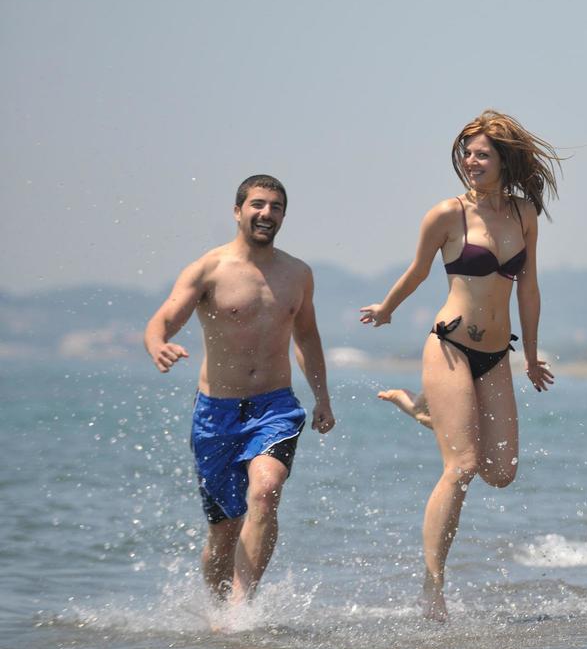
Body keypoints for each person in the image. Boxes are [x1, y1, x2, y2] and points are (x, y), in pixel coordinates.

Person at [360, 110, 560, 620]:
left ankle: (427, 413)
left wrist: (532, 356)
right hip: (449, 345)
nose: (471, 161)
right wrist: (387, 308)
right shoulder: (446, 215)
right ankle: (433, 588)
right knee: (463, 466)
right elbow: (416, 270)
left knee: (502, 472)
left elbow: (529, 289)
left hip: (496, 355)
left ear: (505, 160)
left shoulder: (524, 215)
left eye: (483, 154)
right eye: (467, 153)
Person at [144, 175, 335, 604]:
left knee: (266, 492)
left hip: (275, 406)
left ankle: (241, 606)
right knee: (224, 531)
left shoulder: (297, 274)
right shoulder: (208, 269)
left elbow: (306, 338)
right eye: (258, 204)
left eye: (276, 207)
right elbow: (164, 320)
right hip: (216, 412)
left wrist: (322, 398)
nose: (267, 213)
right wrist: (158, 344)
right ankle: (217, 612)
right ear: (238, 211)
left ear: (284, 215)